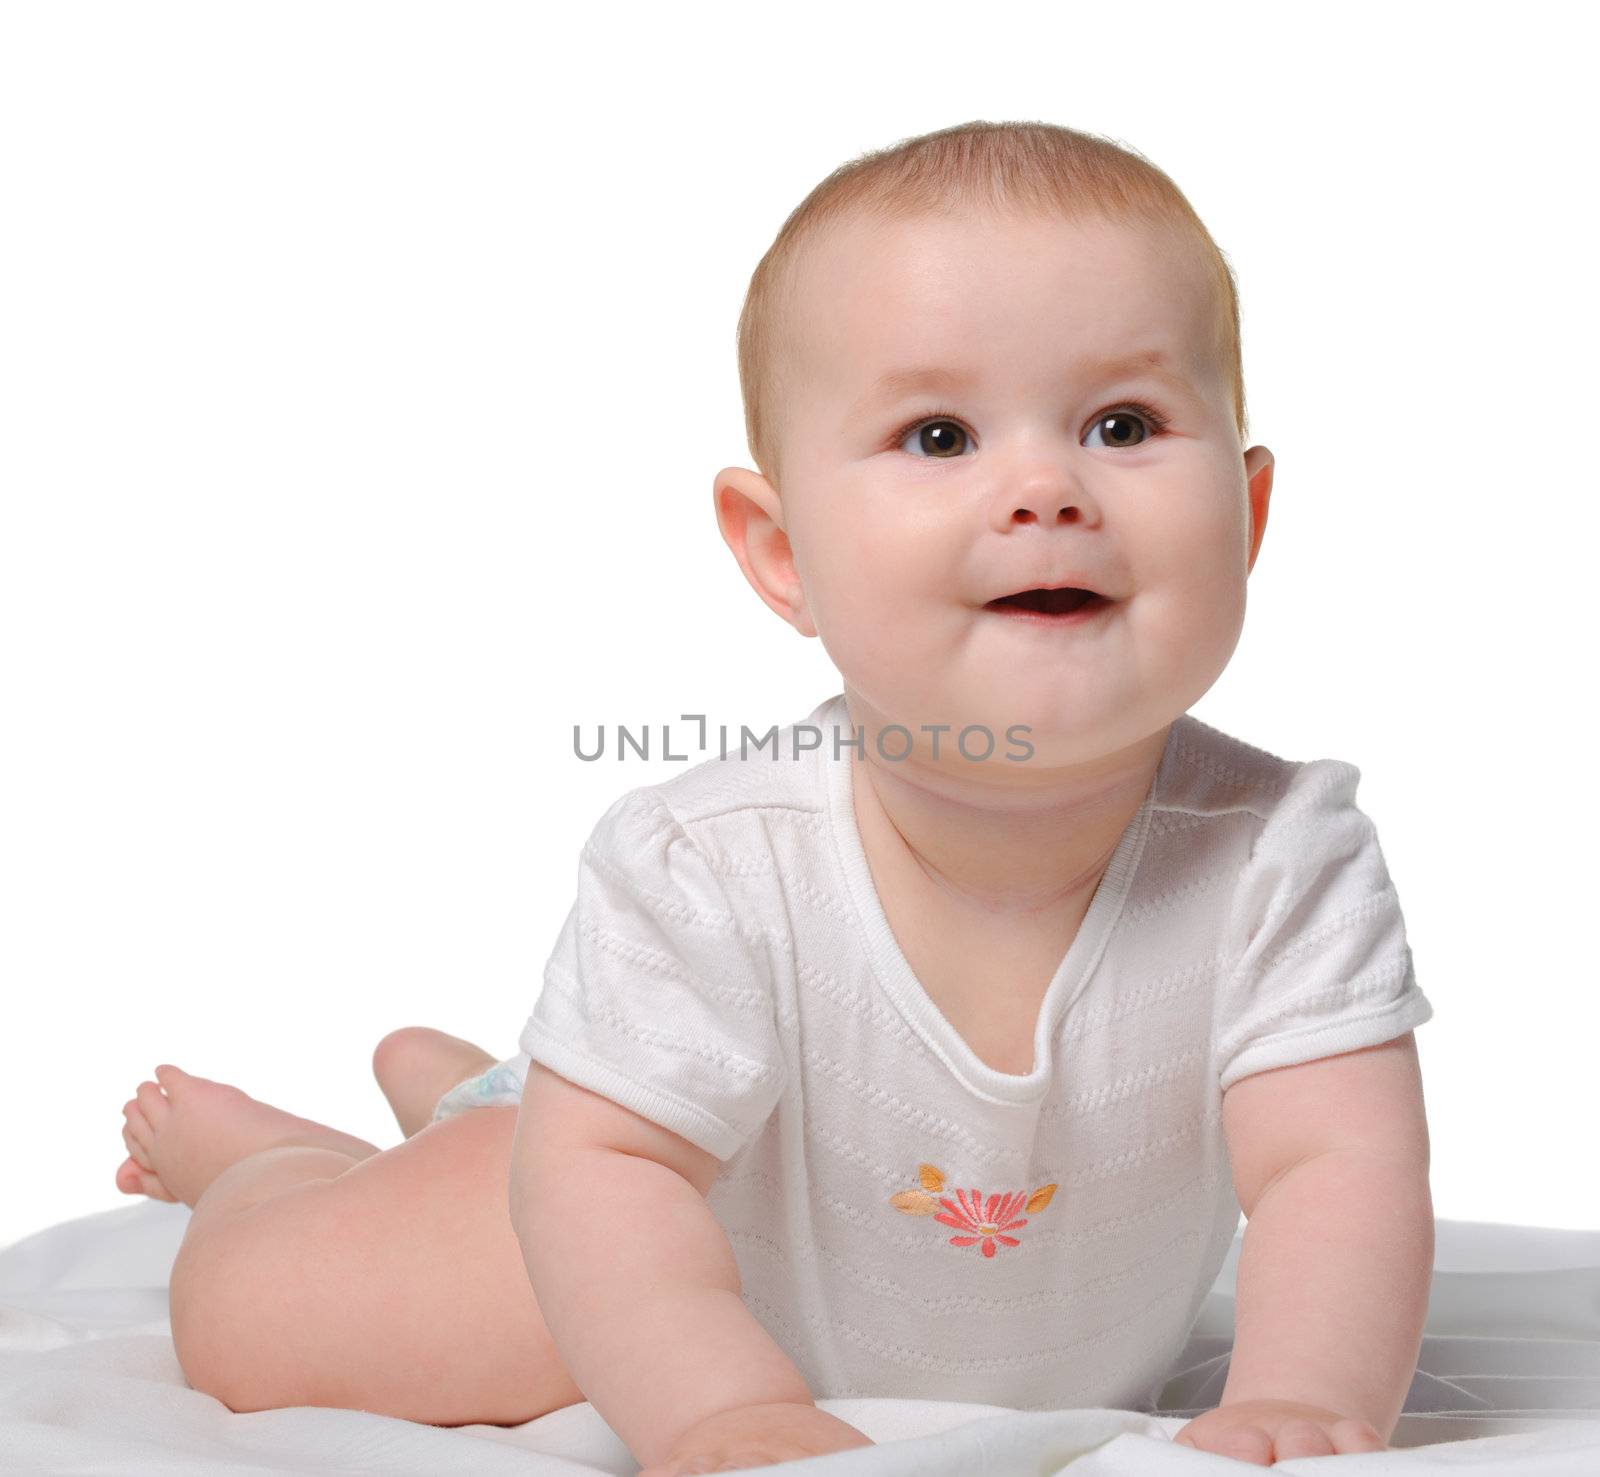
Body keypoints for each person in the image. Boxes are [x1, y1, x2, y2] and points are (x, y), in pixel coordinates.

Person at [115, 119, 1434, 1472]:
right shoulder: (712, 860)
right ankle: (280, 1161)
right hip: (644, 1263)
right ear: (780, 551)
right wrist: (720, 1406)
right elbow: (605, 1175)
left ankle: (473, 1084)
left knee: (594, 1098)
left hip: (699, 1118)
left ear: (1251, 517)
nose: (1046, 488)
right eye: (939, 433)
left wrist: (1307, 1394)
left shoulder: (1286, 855)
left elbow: (1335, 1168)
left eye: (1124, 423)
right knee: (255, 1324)